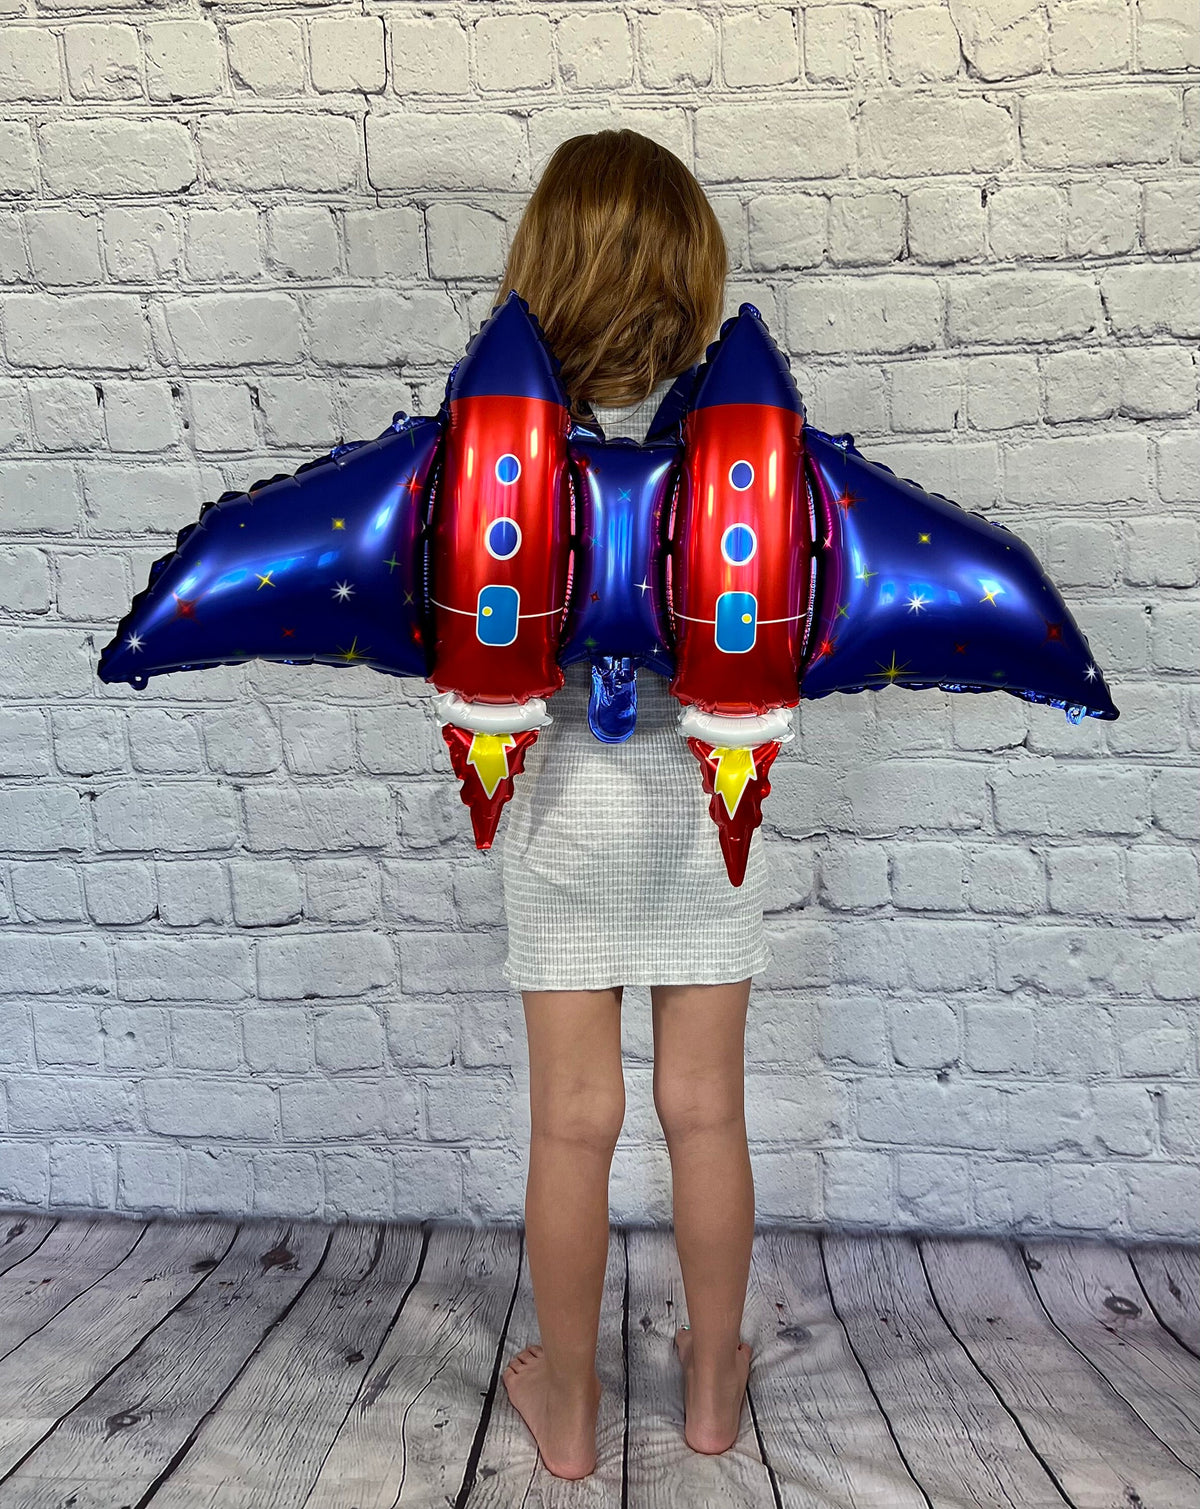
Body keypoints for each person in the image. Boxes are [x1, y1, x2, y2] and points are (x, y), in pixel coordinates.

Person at [491, 130, 773, 1479]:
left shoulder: (501, 454)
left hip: (565, 807)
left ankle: (568, 1407)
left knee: (572, 1120)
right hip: (708, 797)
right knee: (704, 1109)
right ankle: (711, 1383)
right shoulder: (736, 453)